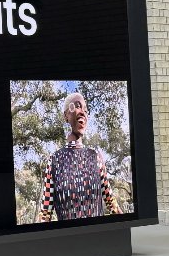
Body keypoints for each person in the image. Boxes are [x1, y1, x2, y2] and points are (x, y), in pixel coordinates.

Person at [37, 91, 119, 222]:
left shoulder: (95, 156)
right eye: (77, 106)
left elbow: (111, 202)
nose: (83, 112)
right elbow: (45, 213)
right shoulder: (54, 161)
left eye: (86, 110)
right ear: (66, 116)